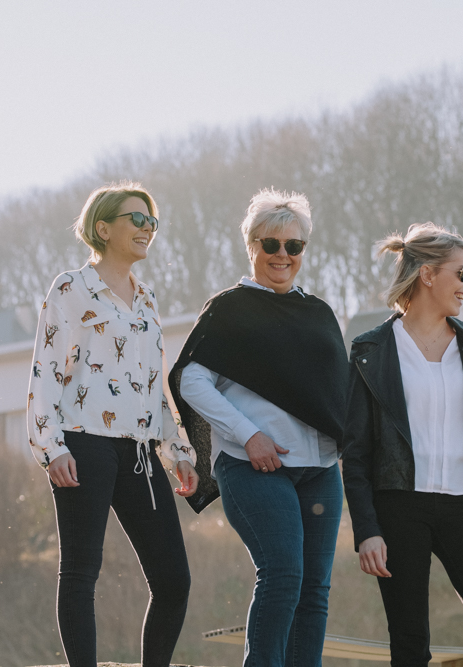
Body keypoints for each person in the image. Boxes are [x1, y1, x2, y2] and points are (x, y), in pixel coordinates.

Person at [169, 189, 349, 667]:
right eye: (271, 244)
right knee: (283, 575)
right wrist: (249, 435)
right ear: (251, 245)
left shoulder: (320, 313)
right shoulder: (230, 308)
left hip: (321, 472)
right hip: (254, 468)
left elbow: (334, 392)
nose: (283, 256)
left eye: (295, 246)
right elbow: (190, 378)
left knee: (314, 589)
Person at [342, 223, 463, 667]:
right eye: (462, 273)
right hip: (398, 507)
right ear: (427, 274)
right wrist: (367, 529)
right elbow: (356, 452)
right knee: (409, 645)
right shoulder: (371, 350)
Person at [27, 182, 199, 667]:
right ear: (103, 228)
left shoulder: (146, 298)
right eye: (136, 219)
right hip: (83, 443)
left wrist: (178, 450)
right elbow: (44, 371)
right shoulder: (70, 288)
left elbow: (153, 382)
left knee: (173, 581)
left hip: (141, 452)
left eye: (152, 221)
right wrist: (50, 445)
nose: (148, 228)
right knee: (81, 572)